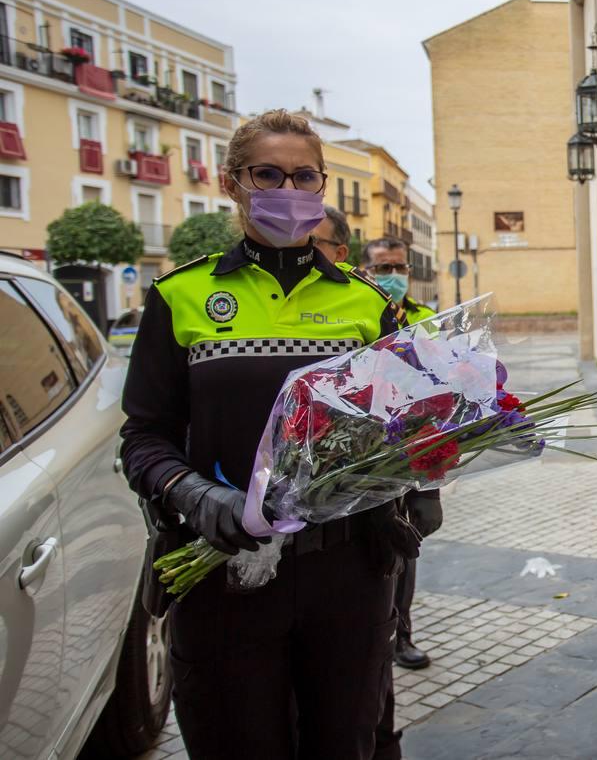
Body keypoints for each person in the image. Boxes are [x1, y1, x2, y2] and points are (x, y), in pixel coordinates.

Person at [120, 110, 409, 760]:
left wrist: (417, 476)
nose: (288, 189)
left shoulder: (370, 306)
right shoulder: (181, 297)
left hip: (347, 577)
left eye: (304, 176)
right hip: (224, 576)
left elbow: (398, 430)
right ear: (232, 182)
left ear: (323, 184)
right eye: (268, 174)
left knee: (347, 744)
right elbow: (143, 437)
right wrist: (194, 495)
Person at [358, 237, 442, 673]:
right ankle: (365, 630)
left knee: (405, 546)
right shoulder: (358, 312)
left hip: (415, 447)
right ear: (365, 270)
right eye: (383, 266)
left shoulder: (429, 319)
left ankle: (400, 634)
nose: (393, 274)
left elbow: (445, 379)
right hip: (363, 450)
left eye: (400, 266)